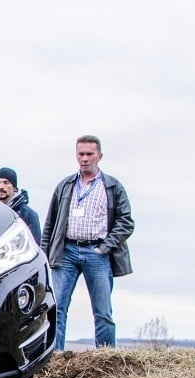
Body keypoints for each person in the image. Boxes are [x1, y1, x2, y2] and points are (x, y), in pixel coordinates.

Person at [42, 135, 134, 350]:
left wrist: (105, 247)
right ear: (76, 156)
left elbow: (126, 222)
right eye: (81, 154)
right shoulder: (65, 186)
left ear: (99, 156)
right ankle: (55, 356)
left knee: (103, 311)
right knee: (57, 308)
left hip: (97, 252)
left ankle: (105, 358)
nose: (85, 159)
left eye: (89, 154)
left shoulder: (112, 186)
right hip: (67, 252)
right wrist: (46, 255)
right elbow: (50, 224)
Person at [0, 167, 41, 243]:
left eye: (6, 182)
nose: (1, 186)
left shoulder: (28, 214)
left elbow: (35, 245)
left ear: (14, 187)